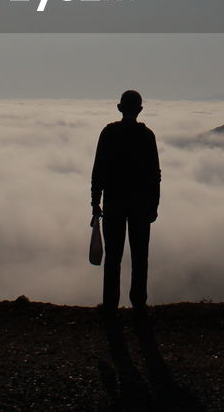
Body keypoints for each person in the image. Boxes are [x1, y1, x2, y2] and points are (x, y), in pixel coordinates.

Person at [91, 89, 161, 313]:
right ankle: (138, 303)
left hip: (114, 203)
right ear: (139, 110)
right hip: (140, 205)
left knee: (113, 257)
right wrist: (154, 205)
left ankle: (111, 304)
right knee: (140, 257)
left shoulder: (109, 133)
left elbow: (98, 171)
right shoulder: (147, 136)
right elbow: (154, 175)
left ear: (120, 108)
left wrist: (95, 202)